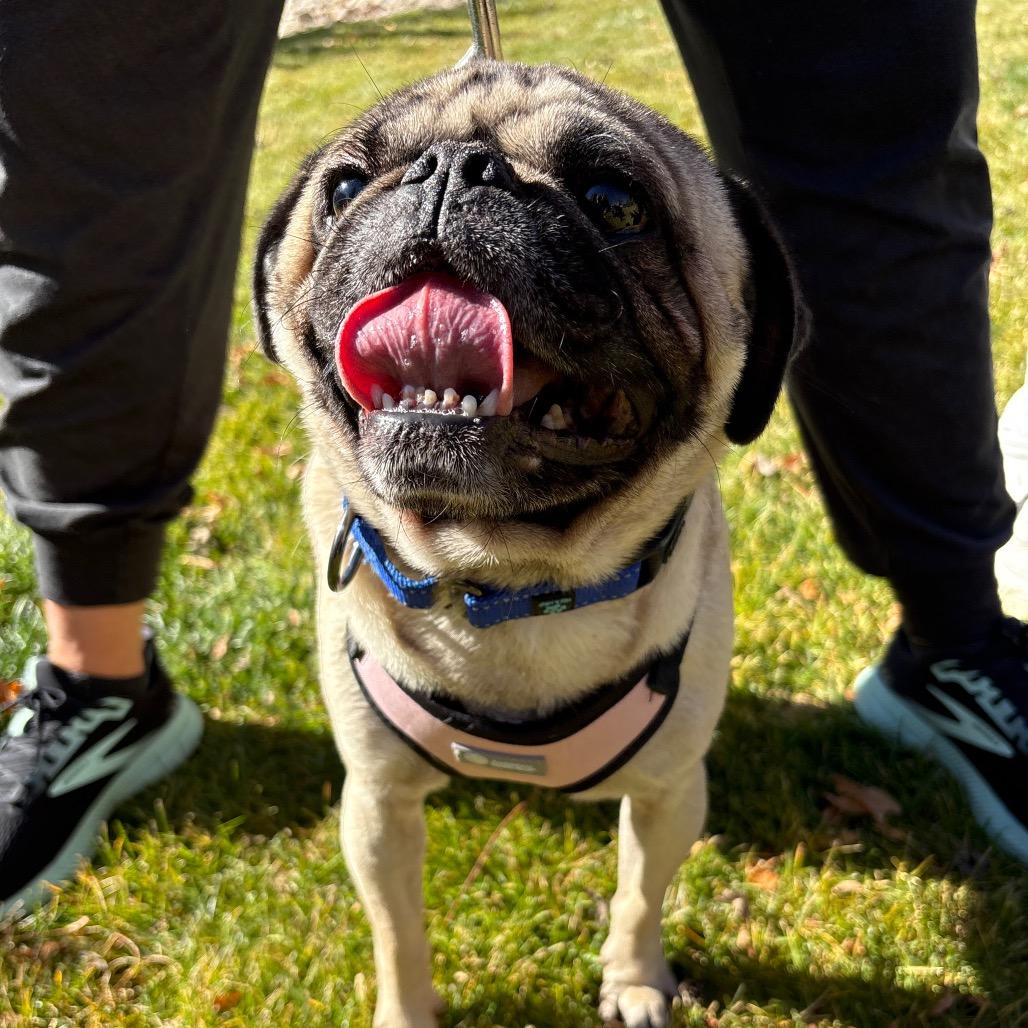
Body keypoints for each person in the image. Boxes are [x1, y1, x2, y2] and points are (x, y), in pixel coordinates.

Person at [1, 0, 1024, 918]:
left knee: (866, 108)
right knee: (87, 131)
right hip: (385, 627)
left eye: (616, 206)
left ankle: (953, 640)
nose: (448, 194)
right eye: (357, 184)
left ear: (756, 316)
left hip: (655, 637)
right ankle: (100, 681)